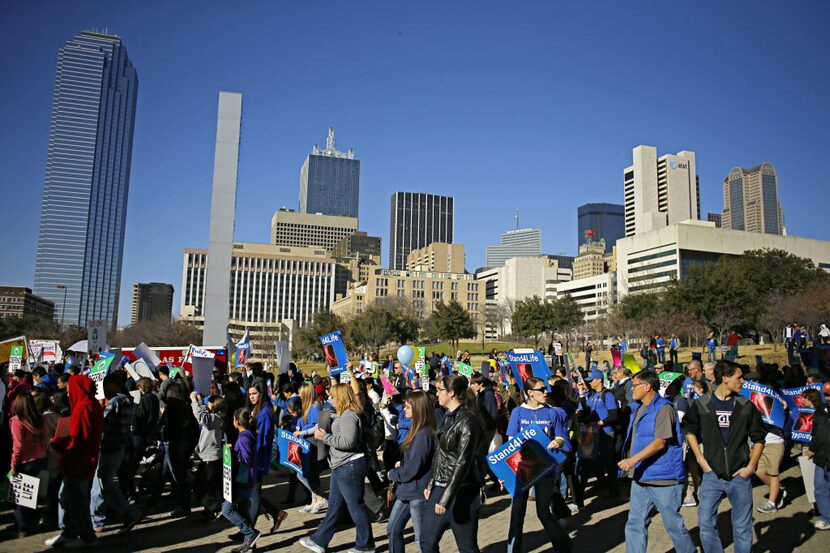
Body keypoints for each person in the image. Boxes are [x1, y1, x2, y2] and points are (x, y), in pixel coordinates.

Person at [683, 362, 766, 553]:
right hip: (712, 475)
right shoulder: (702, 404)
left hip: (740, 476)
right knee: (705, 525)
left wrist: (751, 467)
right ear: (725, 378)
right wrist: (701, 460)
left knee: (742, 528)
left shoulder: (746, 406)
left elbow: (759, 438)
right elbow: (689, 430)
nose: (743, 381)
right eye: (739, 377)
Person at [618, 370, 695, 553]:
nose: (632, 390)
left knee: (673, 525)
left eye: (635, 385)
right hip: (641, 476)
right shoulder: (638, 408)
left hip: (663, 478)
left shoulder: (664, 408)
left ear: (647, 387)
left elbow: (660, 442)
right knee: (635, 523)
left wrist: (632, 460)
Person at [299, 384, 375, 553]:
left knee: (356, 506)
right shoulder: (343, 413)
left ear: (340, 397)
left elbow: (349, 442)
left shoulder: (349, 415)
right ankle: (319, 541)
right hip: (341, 466)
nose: (330, 399)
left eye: (333, 396)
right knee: (334, 506)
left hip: (350, 465)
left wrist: (324, 437)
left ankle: (365, 546)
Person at [504, 377, 572, 553]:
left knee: (544, 511)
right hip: (523, 469)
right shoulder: (518, 412)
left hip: (545, 468)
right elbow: (511, 442)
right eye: (541, 390)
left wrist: (558, 441)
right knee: (517, 514)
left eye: (545, 389)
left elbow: (561, 435)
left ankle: (563, 545)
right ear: (530, 393)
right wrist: (505, 473)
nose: (546, 392)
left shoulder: (552, 412)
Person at [420, 375, 483, 553]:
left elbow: (463, 462)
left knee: (467, 546)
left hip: (461, 490)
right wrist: (431, 483)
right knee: (426, 540)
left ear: (451, 392)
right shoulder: (446, 417)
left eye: (440, 390)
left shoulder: (468, 422)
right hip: (440, 486)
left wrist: (445, 498)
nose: (437, 394)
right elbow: (440, 454)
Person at [45, 374, 104, 549]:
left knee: (76, 500)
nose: (67, 391)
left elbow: (79, 439)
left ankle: (87, 537)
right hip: (83, 460)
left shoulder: (83, 407)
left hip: (79, 461)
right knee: (66, 496)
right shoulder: (92, 404)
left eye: (70, 387)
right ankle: (68, 532)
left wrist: (58, 443)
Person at [387, 391, 437, 553]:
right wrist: (403, 463)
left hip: (418, 493)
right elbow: (414, 460)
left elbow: (413, 468)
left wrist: (393, 473)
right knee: (393, 529)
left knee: (422, 540)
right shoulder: (417, 431)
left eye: (408, 407)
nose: (404, 410)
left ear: (418, 409)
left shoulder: (424, 434)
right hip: (407, 491)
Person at [91, 373, 142, 534]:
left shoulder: (114, 402)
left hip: (109, 448)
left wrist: (100, 408)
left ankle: (98, 519)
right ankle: (126, 512)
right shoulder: (126, 400)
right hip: (118, 447)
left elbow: (102, 424)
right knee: (106, 483)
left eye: (105, 385)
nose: (103, 388)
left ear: (114, 385)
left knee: (100, 483)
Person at [247, 382, 287, 532]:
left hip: (257, 458)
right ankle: (277, 513)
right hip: (254, 456)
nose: (251, 397)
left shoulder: (265, 413)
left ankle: (248, 531)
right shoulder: (258, 410)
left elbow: (262, 439)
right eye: (250, 394)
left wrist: (253, 457)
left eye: (254, 394)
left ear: (261, 394)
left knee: (254, 495)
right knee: (251, 492)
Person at [221, 408, 261, 553]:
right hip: (247, 478)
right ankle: (249, 542)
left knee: (227, 509)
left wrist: (231, 452)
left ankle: (250, 533)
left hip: (243, 479)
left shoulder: (244, 437)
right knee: (242, 509)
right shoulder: (248, 434)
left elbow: (245, 459)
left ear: (237, 422)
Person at [8, 393, 48, 538]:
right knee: (31, 495)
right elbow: (45, 439)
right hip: (40, 458)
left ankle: (22, 527)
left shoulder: (17, 421)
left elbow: (18, 445)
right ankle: (31, 522)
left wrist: (13, 465)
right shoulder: (40, 418)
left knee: (18, 497)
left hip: (25, 461)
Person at [579, 366, 619, 498]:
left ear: (599, 380)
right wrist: (581, 394)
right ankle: (602, 483)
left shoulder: (607, 395)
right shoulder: (592, 395)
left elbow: (613, 415)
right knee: (592, 460)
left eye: (591, 380)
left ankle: (614, 490)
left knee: (608, 461)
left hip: (605, 432)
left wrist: (599, 423)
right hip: (592, 432)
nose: (589, 382)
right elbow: (586, 410)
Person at [191, 391, 225, 519]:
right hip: (210, 456)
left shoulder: (214, 419)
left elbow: (201, 416)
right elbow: (205, 413)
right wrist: (200, 401)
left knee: (200, 486)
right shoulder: (215, 418)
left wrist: (194, 401)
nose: (207, 403)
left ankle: (216, 507)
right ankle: (211, 509)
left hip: (210, 457)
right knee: (211, 486)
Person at [294, 382, 328, 513]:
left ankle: (320, 497)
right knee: (308, 474)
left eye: (301, 394)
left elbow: (316, 426)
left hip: (311, 443)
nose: (299, 396)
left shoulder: (314, 408)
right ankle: (314, 500)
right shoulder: (308, 406)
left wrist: (302, 433)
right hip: (306, 443)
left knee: (304, 474)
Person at [807, 384, 830, 530]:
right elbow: (815, 433)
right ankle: (826, 517)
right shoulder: (820, 411)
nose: (828, 398)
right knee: (820, 488)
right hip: (822, 457)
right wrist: (812, 449)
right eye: (826, 395)